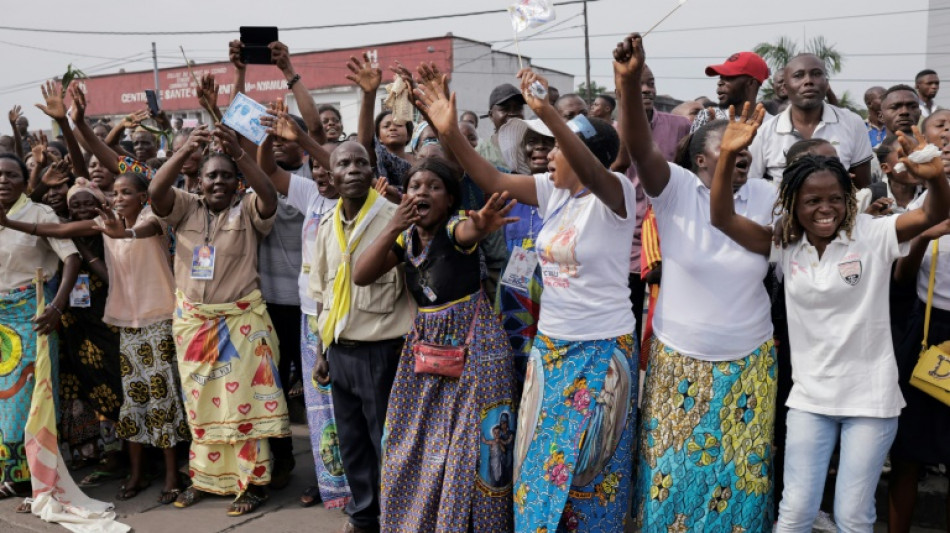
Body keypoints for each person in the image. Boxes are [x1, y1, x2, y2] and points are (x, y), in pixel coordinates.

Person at [416, 62, 639, 532]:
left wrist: (548, 110)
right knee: (537, 467)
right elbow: (492, 180)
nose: (545, 154)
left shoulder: (613, 193)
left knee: (591, 474)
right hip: (551, 349)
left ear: (582, 156)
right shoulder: (553, 193)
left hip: (602, 351)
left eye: (556, 147)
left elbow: (593, 171)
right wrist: (449, 131)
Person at [707, 101, 950, 532]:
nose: (826, 209)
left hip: (871, 402)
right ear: (792, 202)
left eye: (835, 199)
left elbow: (933, 215)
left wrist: (937, 179)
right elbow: (723, 218)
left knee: (853, 515)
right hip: (809, 401)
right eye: (813, 200)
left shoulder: (872, 235)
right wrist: (726, 155)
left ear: (848, 201)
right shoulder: (785, 245)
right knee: (796, 512)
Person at [613, 35, 778, 533]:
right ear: (700, 161)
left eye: (747, 154)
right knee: (670, 473)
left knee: (740, 476)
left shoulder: (768, 196)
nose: (741, 160)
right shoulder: (675, 190)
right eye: (730, 153)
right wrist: (626, 81)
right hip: (678, 359)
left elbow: (762, 242)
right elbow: (640, 143)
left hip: (749, 363)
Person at [4, 173, 192, 503]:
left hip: (159, 320)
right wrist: (10, 222)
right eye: (115, 193)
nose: (118, 198)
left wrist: (126, 232)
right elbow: (60, 230)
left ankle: (172, 475)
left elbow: (142, 231)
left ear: (142, 196)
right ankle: (136, 473)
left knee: (163, 400)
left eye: (126, 193)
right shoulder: (106, 222)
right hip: (126, 323)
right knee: (133, 401)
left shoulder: (154, 218)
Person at [353, 157, 518, 532]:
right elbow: (361, 274)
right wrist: (395, 222)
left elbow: (469, 232)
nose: (422, 192)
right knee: (411, 441)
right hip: (428, 351)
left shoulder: (455, 229)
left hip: (478, 352)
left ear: (449, 201)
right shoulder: (404, 239)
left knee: (472, 450)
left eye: (433, 187)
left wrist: (480, 224)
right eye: (414, 187)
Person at [149, 125, 290, 516]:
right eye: (212, 175)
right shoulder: (185, 205)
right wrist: (182, 153)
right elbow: (155, 194)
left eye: (227, 176)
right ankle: (206, 480)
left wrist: (240, 154)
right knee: (203, 408)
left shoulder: (247, 207)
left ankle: (253, 483)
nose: (219, 182)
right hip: (194, 324)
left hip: (242, 324)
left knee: (246, 406)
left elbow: (267, 194)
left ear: (236, 181)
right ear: (199, 179)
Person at [309, 140, 414, 533]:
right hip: (341, 351)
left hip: (383, 351)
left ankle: (399, 515)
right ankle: (365, 515)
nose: (353, 169)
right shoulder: (326, 227)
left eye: (361, 163)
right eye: (344, 164)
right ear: (331, 176)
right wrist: (321, 352)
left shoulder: (395, 219)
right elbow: (320, 294)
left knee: (386, 441)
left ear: (373, 173)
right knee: (352, 444)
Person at [257, 112, 351, 509]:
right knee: (318, 409)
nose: (323, 173)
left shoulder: (357, 199)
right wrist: (265, 137)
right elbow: (267, 171)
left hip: (347, 318)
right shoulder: (310, 193)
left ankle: (361, 484)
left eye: (330, 165)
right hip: (310, 316)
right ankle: (329, 482)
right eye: (316, 166)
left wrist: (306, 139)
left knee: (348, 405)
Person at [0, 153, 81, 501]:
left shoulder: (38, 214)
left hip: (30, 317)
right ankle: (7, 471)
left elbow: (72, 259)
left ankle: (26, 476)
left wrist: (57, 306)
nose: (3, 179)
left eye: (11, 174)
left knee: (28, 396)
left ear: (24, 181)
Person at [889, 108, 950, 533]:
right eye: (941, 126)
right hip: (929, 332)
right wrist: (924, 237)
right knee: (908, 452)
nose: (949, 132)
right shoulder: (918, 205)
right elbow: (901, 277)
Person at [613, 63, 691, 343]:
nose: (646, 89)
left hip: (671, 237)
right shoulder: (612, 134)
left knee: (670, 321)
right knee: (629, 323)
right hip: (627, 241)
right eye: (638, 83)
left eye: (650, 82)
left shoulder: (681, 126)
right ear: (620, 92)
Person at [748, 54, 874, 188]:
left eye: (816, 74)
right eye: (798, 75)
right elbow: (751, 187)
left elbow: (863, 187)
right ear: (785, 87)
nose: (808, 81)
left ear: (826, 84)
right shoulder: (764, 132)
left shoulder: (852, 123)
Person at [690, 51, 770, 133]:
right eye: (721, 77)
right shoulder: (708, 117)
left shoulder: (772, 125)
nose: (720, 83)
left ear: (751, 83)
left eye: (729, 78)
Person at [477, 83, 527, 169]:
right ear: (491, 115)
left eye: (518, 108)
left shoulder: (534, 146)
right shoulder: (481, 152)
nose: (512, 114)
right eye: (505, 109)